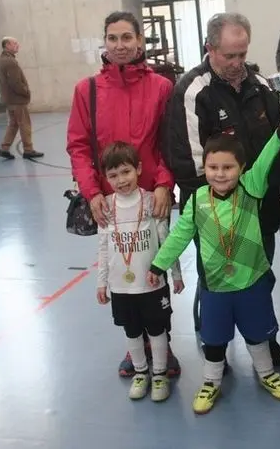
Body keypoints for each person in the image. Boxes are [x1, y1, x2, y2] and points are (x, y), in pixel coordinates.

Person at [147, 114, 280, 414]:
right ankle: (211, 381)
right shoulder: (197, 199)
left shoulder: (251, 188)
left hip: (252, 281)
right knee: (214, 339)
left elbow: (266, 158)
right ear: (204, 168)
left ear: (242, 168)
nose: (220, 174)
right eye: (213, 167)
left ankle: (267, 374)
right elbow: (179, 236)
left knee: (258, 334)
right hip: (216, 286)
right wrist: (158, 265)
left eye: (228, 167)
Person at [162, 12, 280, 367]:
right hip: (214, 214)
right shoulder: (192, 91)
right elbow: (188, 162)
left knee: (260, 276)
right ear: (210, 48)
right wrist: (223, 204)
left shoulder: (262, 85)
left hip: (261, 207)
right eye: (229, 55)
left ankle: (265, 337)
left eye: (242, 54)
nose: (238, 64)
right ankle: (215, 345)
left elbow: (278, 141)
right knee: (215, 282)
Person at [66, 11, 181, 379]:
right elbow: (78, 147)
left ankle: (161, 341)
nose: (120, 45)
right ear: (105, 42)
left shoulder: (161, 87)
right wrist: (92, 193)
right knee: (123, 269)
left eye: (127, 37)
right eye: (112, 38)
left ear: (139, 41)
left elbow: (170, 142)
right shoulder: (87, 90)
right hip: (111, 205)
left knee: (154, 268)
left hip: (153, 201)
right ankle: (136, 345)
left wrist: (163, 183)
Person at [95, 142, 184, 402]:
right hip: (121, 287)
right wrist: (102, 283)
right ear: (105, 177)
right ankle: (141, 372)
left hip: (152, 284)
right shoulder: (106, 207)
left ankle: (159, 375)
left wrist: (175, 274)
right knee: (131, 331)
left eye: (126, 172)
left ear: (139, 169)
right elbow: (103, 247)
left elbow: (167, 241)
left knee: (157, 330)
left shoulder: (150, 201)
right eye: (113, 175)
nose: (121, 180)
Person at [0, 37, 43, 159]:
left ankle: (4, 148)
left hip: (9, 99)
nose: (17, 45)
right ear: (7, 45)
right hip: (17, 99)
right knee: (24, 124)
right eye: (14, 43)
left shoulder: (0, 60)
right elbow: (15, 82)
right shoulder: (10, 62)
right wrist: (25, 92)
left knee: (13, 124)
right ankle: (28, 149)